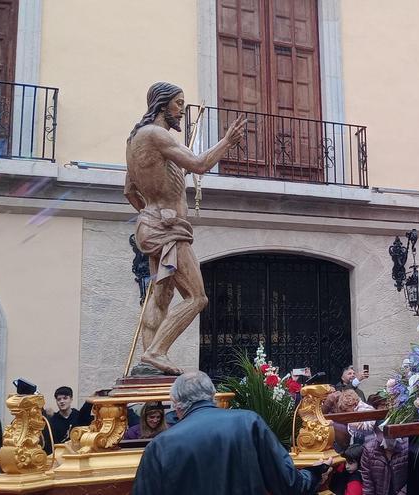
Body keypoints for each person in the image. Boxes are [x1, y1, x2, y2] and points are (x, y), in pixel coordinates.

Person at [125, 82, 245, 375]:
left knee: (161, 297)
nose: (181, 110)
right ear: (163, 104)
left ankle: (148, 363)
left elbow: (129, 191)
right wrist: (227, 141)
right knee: (197, 297)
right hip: (169, 229)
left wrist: (150, 214)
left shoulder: (133, 141)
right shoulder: (156, 134)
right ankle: (156, 351)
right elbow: (200, 164)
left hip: (151, 224)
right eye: (178, 103)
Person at [131, 371, 330, 495]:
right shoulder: (248, 422)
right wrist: (315, 473)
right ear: (212, 396)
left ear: (177, 405)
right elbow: (288, 483)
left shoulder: (160, 445)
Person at [360, 423, 408, 495]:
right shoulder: (369, 450)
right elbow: (368, 482)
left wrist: (403, 492)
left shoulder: (408, 446)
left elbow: (415, 475)